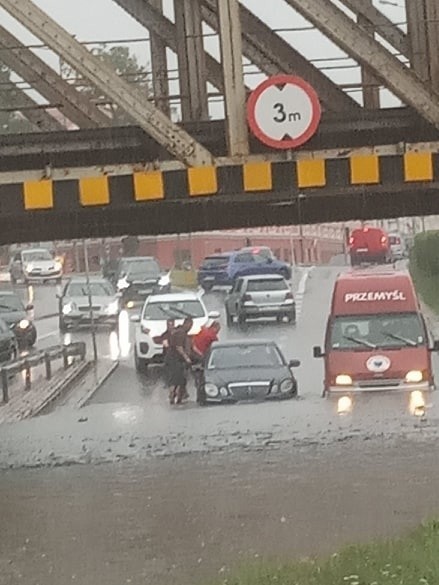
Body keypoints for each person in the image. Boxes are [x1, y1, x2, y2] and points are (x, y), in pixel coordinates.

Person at [191, 321, 221, 405]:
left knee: (196, 377)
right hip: (201, 358)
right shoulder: (213, 337)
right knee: (202, 377)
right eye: (218, 330)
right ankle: (201, 397)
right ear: (215, 328)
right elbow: (215, 351)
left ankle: (197, 392)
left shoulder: (202, 330)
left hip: (193, 355)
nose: (218, 332)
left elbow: (193, 340)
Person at [166, 318, 193, 405]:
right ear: (187, 324)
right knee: (179, 380)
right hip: (176, 359)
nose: (190, 328)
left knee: (173, 379)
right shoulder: (181, 333)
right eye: (190, 325)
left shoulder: (177, 331)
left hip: (172, 359)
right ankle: (175, 396)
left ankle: (173, 395)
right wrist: (187, 358)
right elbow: (179, 347)